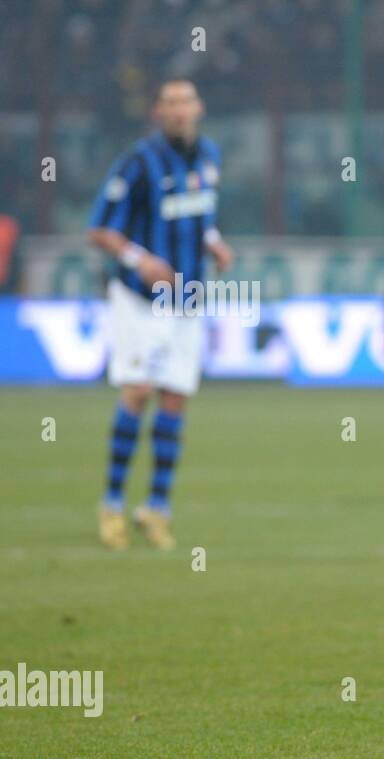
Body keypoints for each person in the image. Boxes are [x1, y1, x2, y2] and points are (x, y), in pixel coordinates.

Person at [87, 78, 233, 551]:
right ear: (158, 112)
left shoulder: (208, 155)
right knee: (139, 391)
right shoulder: (138, 162)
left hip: (187, 299)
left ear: (199, 107)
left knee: (174, 400)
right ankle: (111, 504)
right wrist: (140, 260)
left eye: (186, 101)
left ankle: (156, 508)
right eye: (169, 103)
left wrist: (213, 242)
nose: (178, 110)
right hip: (138, 300)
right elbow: (100, 230)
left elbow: (200, 214)